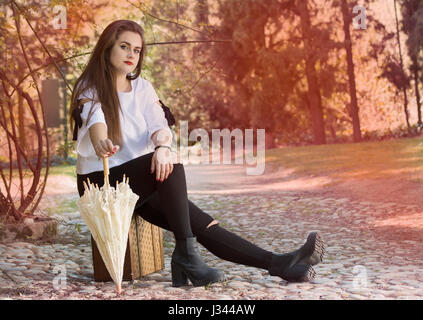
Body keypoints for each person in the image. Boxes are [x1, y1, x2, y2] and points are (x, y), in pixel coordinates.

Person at [69, 20, 325, 288]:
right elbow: (96, 123)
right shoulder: (90, 87)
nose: (132, 54)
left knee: (201, 224)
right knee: (174, 170)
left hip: (139, 184)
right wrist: (101, 142)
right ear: (107, 47)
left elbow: (160, 127)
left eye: (137, 50)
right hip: (101, 181)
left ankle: (281, 264)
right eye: (124, 47)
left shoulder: (143, 88)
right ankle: (186, 259)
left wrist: (163, 148)